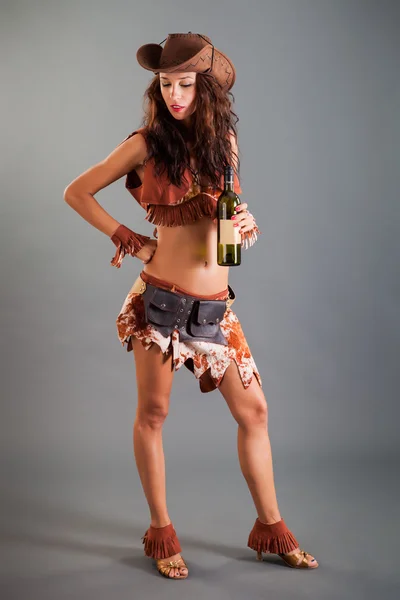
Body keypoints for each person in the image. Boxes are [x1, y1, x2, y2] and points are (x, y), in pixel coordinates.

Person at [64, 32, 319, 580]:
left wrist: (245, 222)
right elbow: (77, 191)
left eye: (184, 84)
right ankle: (161, 532)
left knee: (255, 413)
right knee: (153, 416)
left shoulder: (223, 141)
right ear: (156, 88)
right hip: (161, 303)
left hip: (215, 309)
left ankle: (271, 530)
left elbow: (227, 211)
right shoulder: (147, 142)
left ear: (205, 89)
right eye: (165, 84)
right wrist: (130, 238)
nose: (174, 95)